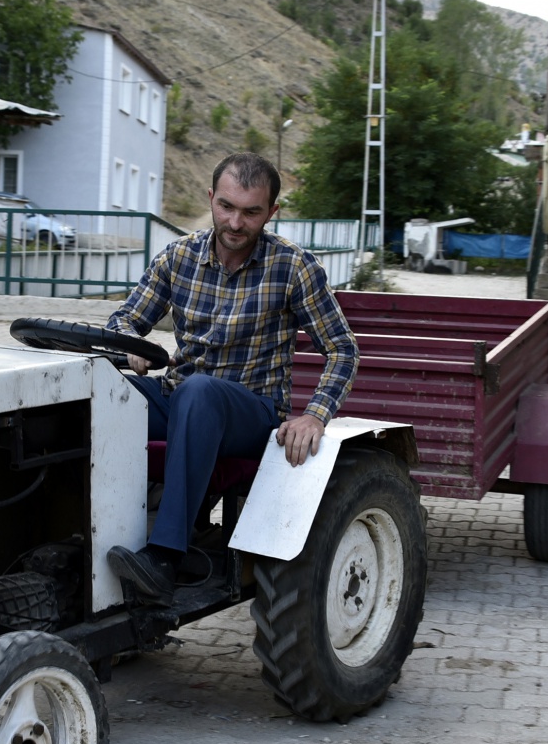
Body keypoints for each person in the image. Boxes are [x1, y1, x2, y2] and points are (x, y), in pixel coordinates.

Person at [104, 152, 359, 602]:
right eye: (226, 206)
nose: (235, 222)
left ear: (272, 212)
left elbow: (343, 349)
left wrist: (315, 416)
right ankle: (79, 539)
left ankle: (165, 557)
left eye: (250, 212)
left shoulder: (293, 267)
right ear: (211, 198)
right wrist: (127, 343)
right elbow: (124, 320)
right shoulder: (178, 256)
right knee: (98, 394)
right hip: (179, 400)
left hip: (252, 412)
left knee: (199, 392)